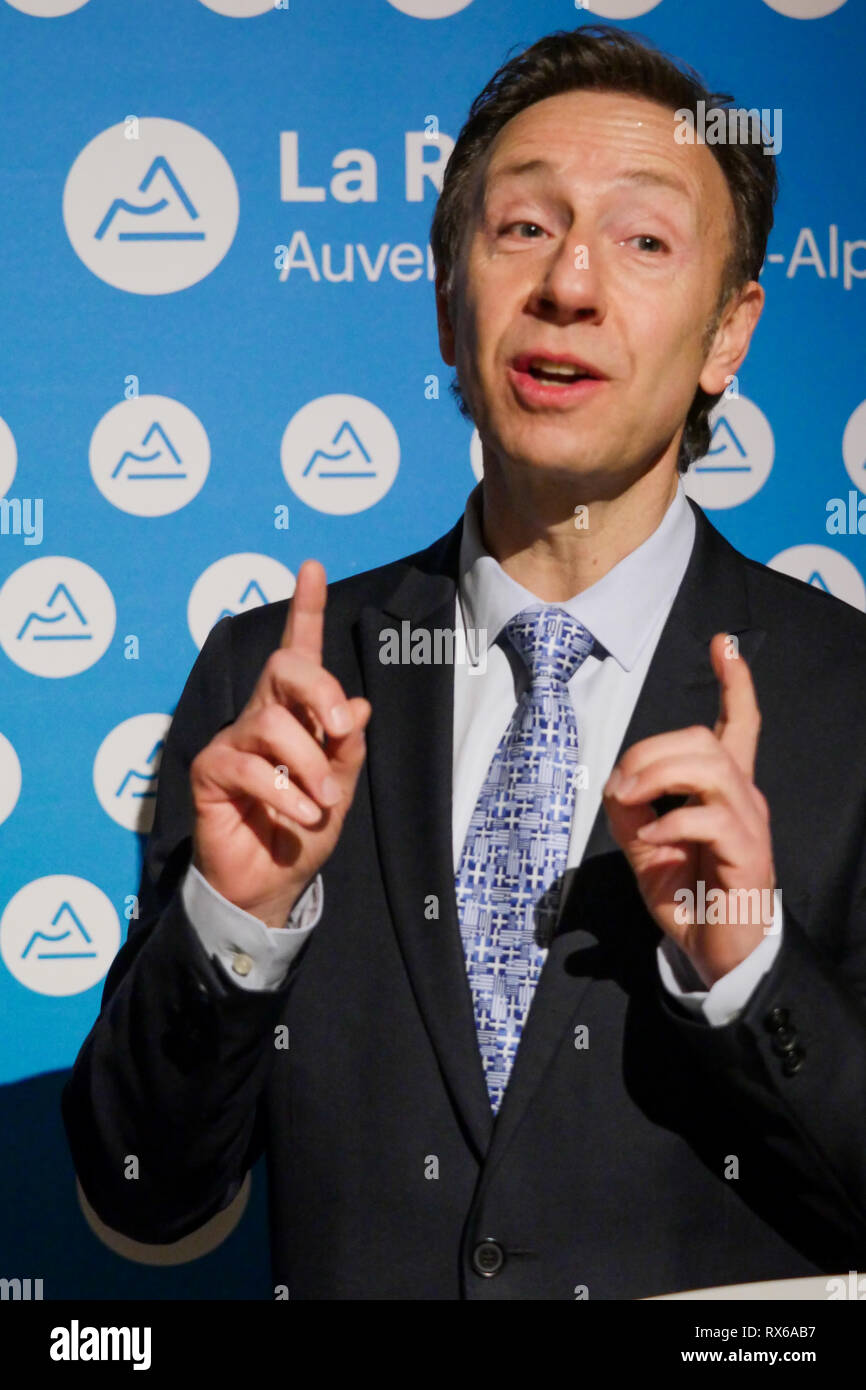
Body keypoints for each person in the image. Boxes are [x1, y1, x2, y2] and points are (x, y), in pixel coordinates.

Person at [62, 24, 866, 1300]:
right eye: (522, 230)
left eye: (643, 240)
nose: (570, 285)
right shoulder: (266, 680)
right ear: (449, 299)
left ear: (726, 335)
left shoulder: (846, 695)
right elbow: (141, 1190)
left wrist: (749, 966)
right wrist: (233, 926)